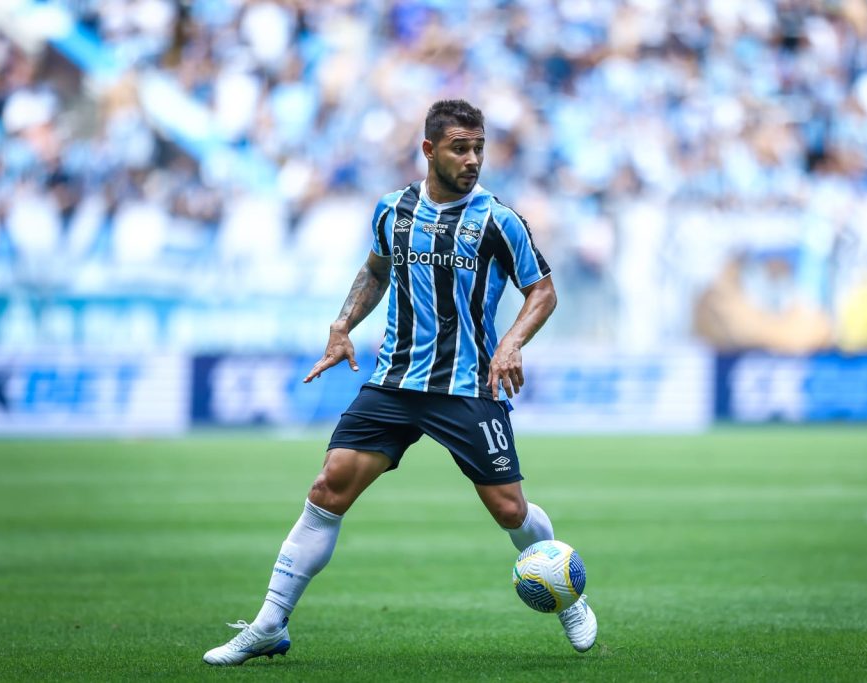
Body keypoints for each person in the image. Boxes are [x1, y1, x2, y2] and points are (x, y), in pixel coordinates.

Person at [203, 99, 597, 665]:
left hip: (465, 385)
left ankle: (567, 597)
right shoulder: (393, 209)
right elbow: (376, 270)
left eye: (479, 147)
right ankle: (269, 623)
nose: (473, 159)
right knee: (327, 488)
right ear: (430, 150)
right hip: (393, 380)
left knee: (510, 511)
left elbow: (543, 291)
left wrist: (510, 343)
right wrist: (342, 325)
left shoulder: (498, 219)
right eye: (461, 148)